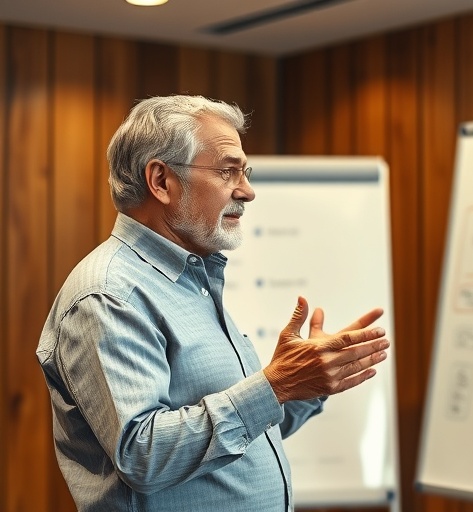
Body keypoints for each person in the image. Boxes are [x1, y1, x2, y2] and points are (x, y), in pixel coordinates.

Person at [36, 95, 390, 511]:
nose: (248, 190)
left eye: (246, 172)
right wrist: (274, 385)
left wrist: (303, 385)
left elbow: (238, 438)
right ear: (161, 181)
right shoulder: (110, 295)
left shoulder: (193, 282)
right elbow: (144, 455)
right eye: (228, 171)